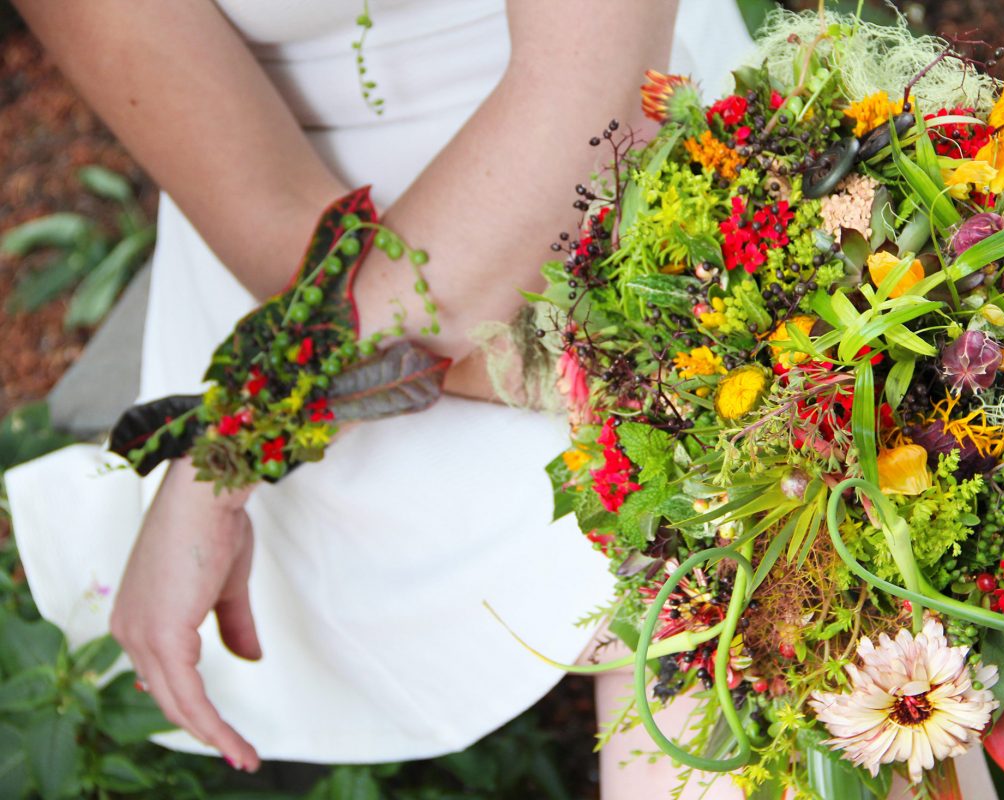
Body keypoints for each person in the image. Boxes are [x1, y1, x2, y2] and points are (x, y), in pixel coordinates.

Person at [5, 0, 758, 797]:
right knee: (704, 490)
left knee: (737, 568)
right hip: (333, 290)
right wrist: (562, 374)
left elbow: (589, 105)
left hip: (642, 167)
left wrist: (237, 433)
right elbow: (264, 209)